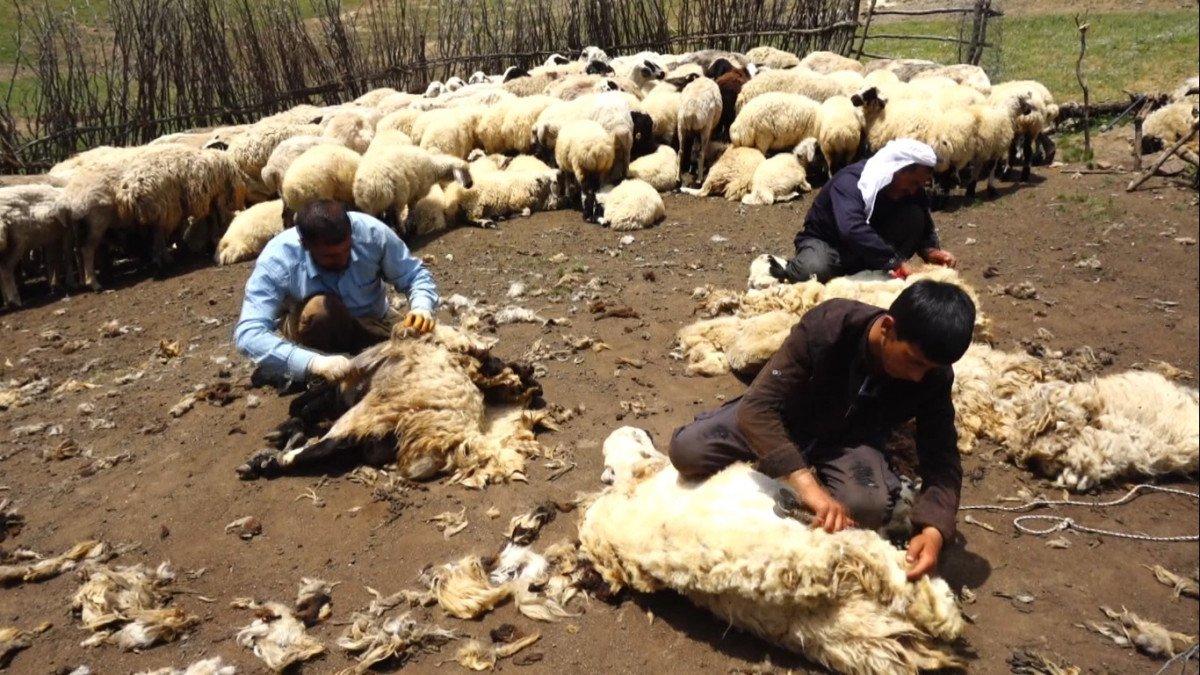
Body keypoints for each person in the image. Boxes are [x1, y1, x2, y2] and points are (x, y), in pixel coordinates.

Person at [668, 280, 976, 580]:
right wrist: (808, 487)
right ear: (887, 328)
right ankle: (789, 468)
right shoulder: (830, 325)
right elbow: (758, 407)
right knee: (688, 451)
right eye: (913, 361)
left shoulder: (933, 376)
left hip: (851, 441)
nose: (917, 377)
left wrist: (934, 529)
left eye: (929, 369)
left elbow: (942, 457)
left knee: (867, 506)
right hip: (785, 416)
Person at [234, 200, 438, 385]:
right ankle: (316, 371)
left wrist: (422, 307)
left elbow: (413, 275)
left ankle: (366, 359)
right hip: (315, 330)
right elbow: (249, 332)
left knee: (428, 353)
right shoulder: (278, 259)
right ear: (306, 245)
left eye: (346, 250)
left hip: (371, 322)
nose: (342, 260)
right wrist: (313, 363)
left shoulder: (372, 234)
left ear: (351, 233)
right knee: (319, 311)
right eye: (330, 256)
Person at [771, 138, 958, 284]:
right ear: (897, 170)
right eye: (914, 182)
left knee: (915, 215)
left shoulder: (910, 188)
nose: (915, 190)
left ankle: (874, 269)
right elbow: (851, 228)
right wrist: (894, 261)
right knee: (812, 270)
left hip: (871, 242)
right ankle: (784, 268)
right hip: (831, 244)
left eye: (920, 184)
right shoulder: (851, 182)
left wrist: (930, 250)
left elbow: (923, 220)